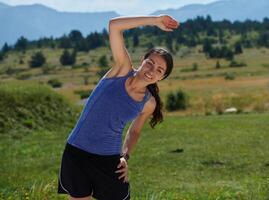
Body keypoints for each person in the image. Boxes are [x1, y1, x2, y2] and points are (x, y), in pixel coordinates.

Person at [57, 14, 179, 200]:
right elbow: (114, 26)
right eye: (150, 63)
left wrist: (125, 156)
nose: (152, 71)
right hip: (77, 152)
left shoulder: (148, 102)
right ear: (142, 61)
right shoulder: (122, 69)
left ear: (161, 78)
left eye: (159, 70)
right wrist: (155, 21)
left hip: (108, 160)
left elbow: (135, 131)